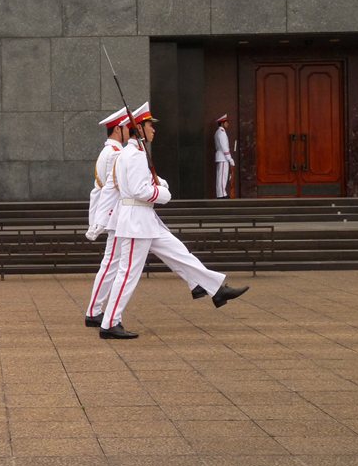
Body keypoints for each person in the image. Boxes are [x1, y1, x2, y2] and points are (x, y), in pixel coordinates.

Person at [100, 102, 249, 339]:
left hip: (145, 221)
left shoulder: (132, 154)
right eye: (150, 126)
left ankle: (217, 289)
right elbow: (140, 190)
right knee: (127, 274)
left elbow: (143, 183)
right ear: (139, 128)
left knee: (180, 253)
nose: (154, 130)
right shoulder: (134, 155)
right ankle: (109, 323)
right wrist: (164, 194)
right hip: (136, 221)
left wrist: (159, 184)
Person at [83, 107, 128, 327]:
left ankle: (199, 282)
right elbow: (113, 188)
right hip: (117, 215)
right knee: (111, 264)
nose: (130, 132)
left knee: (112, 263)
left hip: (116, 215)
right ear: (118, 129)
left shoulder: (108, 152)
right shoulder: (114, 154)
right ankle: (94, 311)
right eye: (128, 128)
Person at [214, 113, 235, 199]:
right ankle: (222, 194)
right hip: (223, 157)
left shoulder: (219, 132)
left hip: (221, 157)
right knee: (222, 176)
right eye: (226, 122)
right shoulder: (221, 132)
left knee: (221, 176)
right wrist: (230, 159)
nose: (228, 124)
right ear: (222, 123)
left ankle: (221, 194)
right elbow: (224, 147)